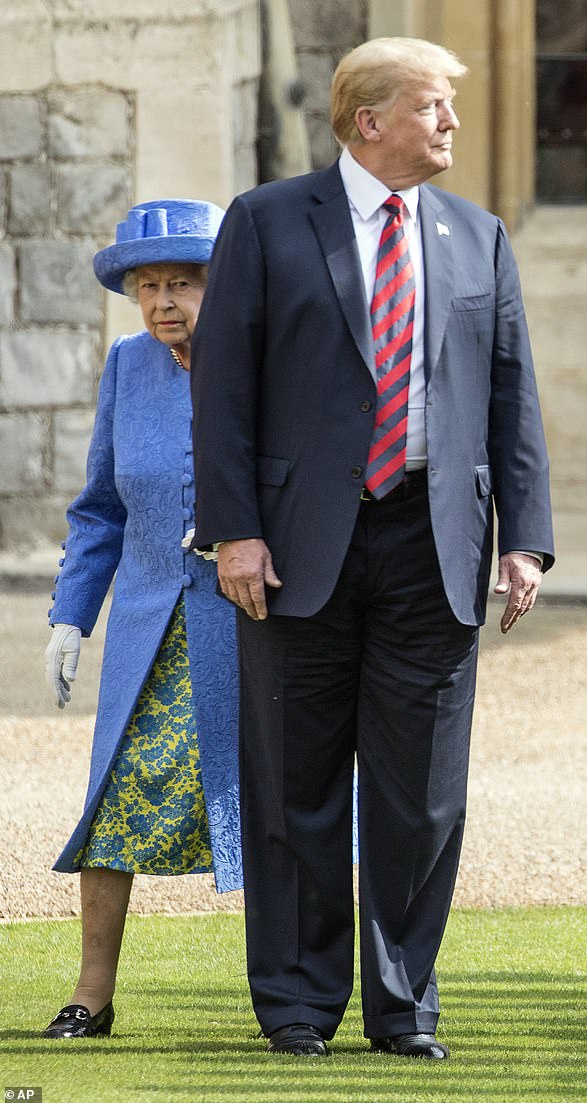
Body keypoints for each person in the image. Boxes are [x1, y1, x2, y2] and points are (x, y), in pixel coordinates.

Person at [190, 37, 555, 1059]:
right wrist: (235, 531)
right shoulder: (266, 222)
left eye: (448, 109)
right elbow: (220, 391)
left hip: (431, 545)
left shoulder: (478, 236)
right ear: (369, 121)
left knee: (422, 795)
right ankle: (299, 1004)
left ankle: (404, 1008)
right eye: (433, 107)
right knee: (294, 786)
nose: (448, 124)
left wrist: (524, 540)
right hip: (295, 548)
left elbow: (510, 397)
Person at [43, 200, 242, 1039]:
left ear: (219, 284)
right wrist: (71, 616)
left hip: (253, 627)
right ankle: (91, 994)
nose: (165, 300)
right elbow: (99, 510)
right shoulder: (127, 365)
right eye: (148, 284)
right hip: (148, 633)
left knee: (276, 807)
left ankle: (296, 1002)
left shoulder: (261, 358)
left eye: (184, 281)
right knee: (116, 802)